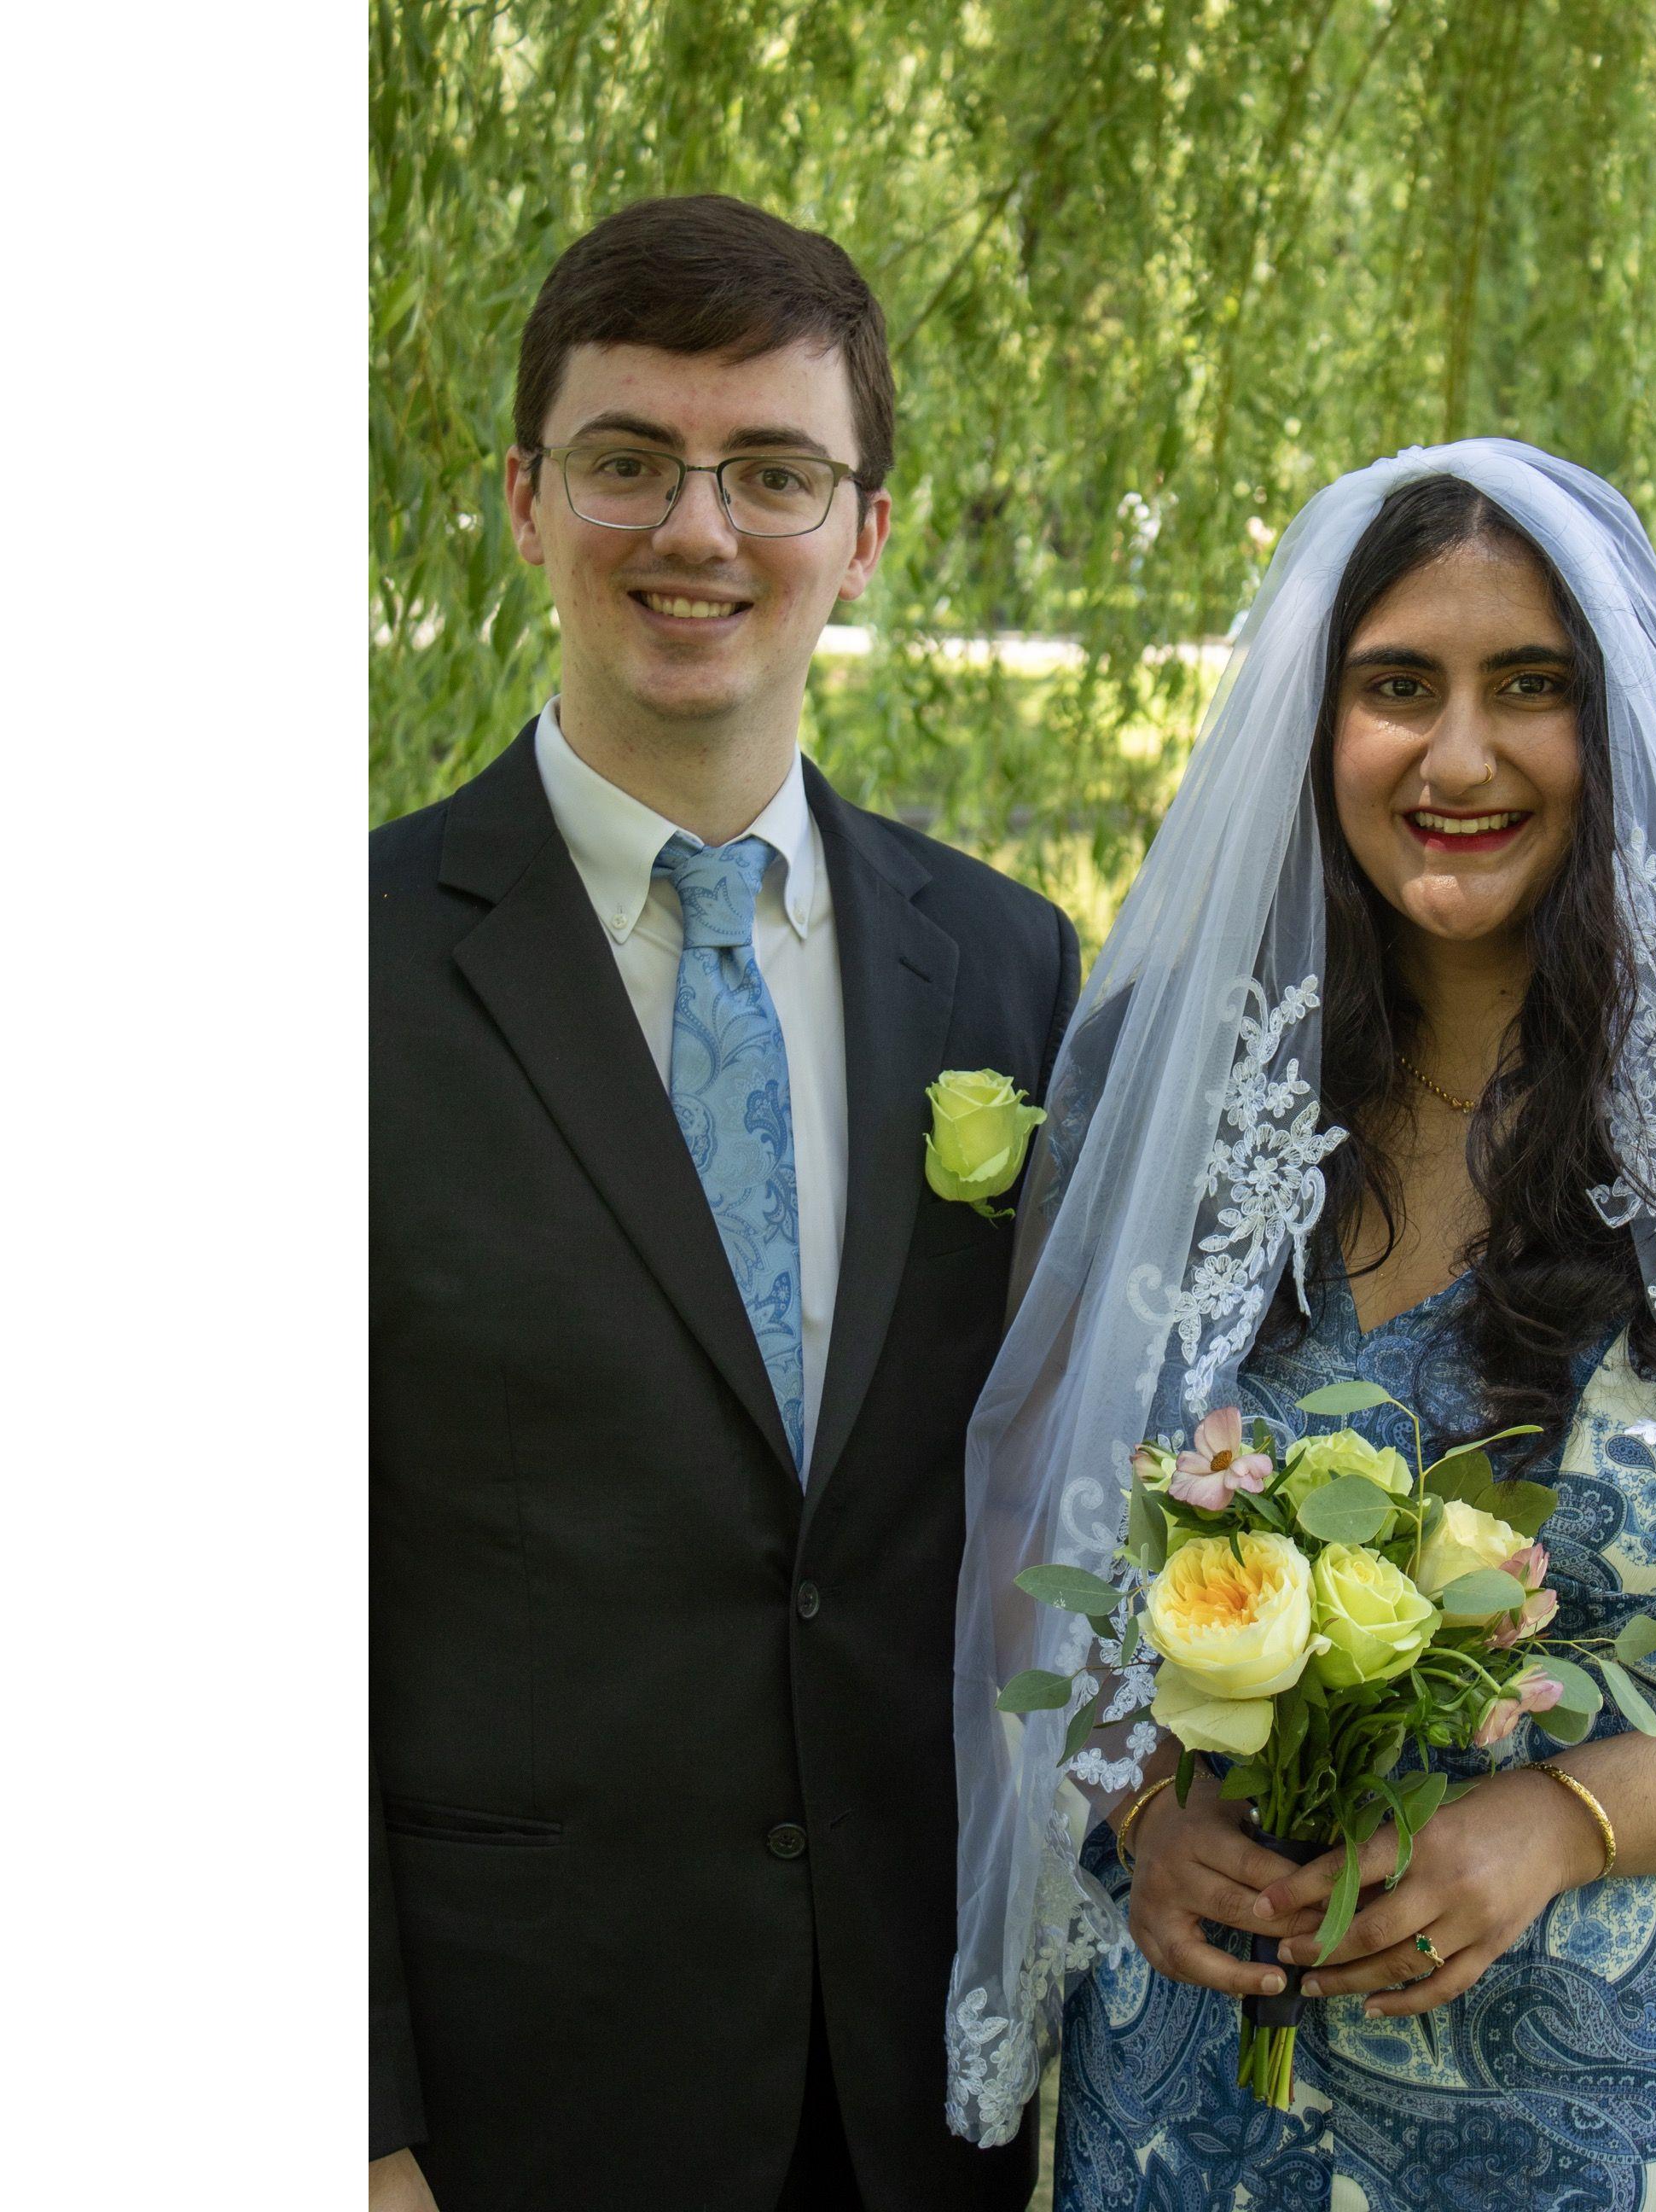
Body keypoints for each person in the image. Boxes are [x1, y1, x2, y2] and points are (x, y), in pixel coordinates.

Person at [944, 443, 1656, 2208]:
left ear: (1625, 727)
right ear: (1313, 724)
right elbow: (1021, 1530)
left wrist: (1560, 1822)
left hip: (1612, 2117)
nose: (1459, 755)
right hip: (1205, 2088)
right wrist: (1140, 1814)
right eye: (1396, 688)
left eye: (1533, 689)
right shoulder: (1165, 1095)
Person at [371, 194, 1077, 2212]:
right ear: (525, 500)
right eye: (627, 463)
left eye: (773, 471)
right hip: (510, 2110)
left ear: (865, 530)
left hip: (915, 2099)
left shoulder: (1012, 967)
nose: (698, 532)